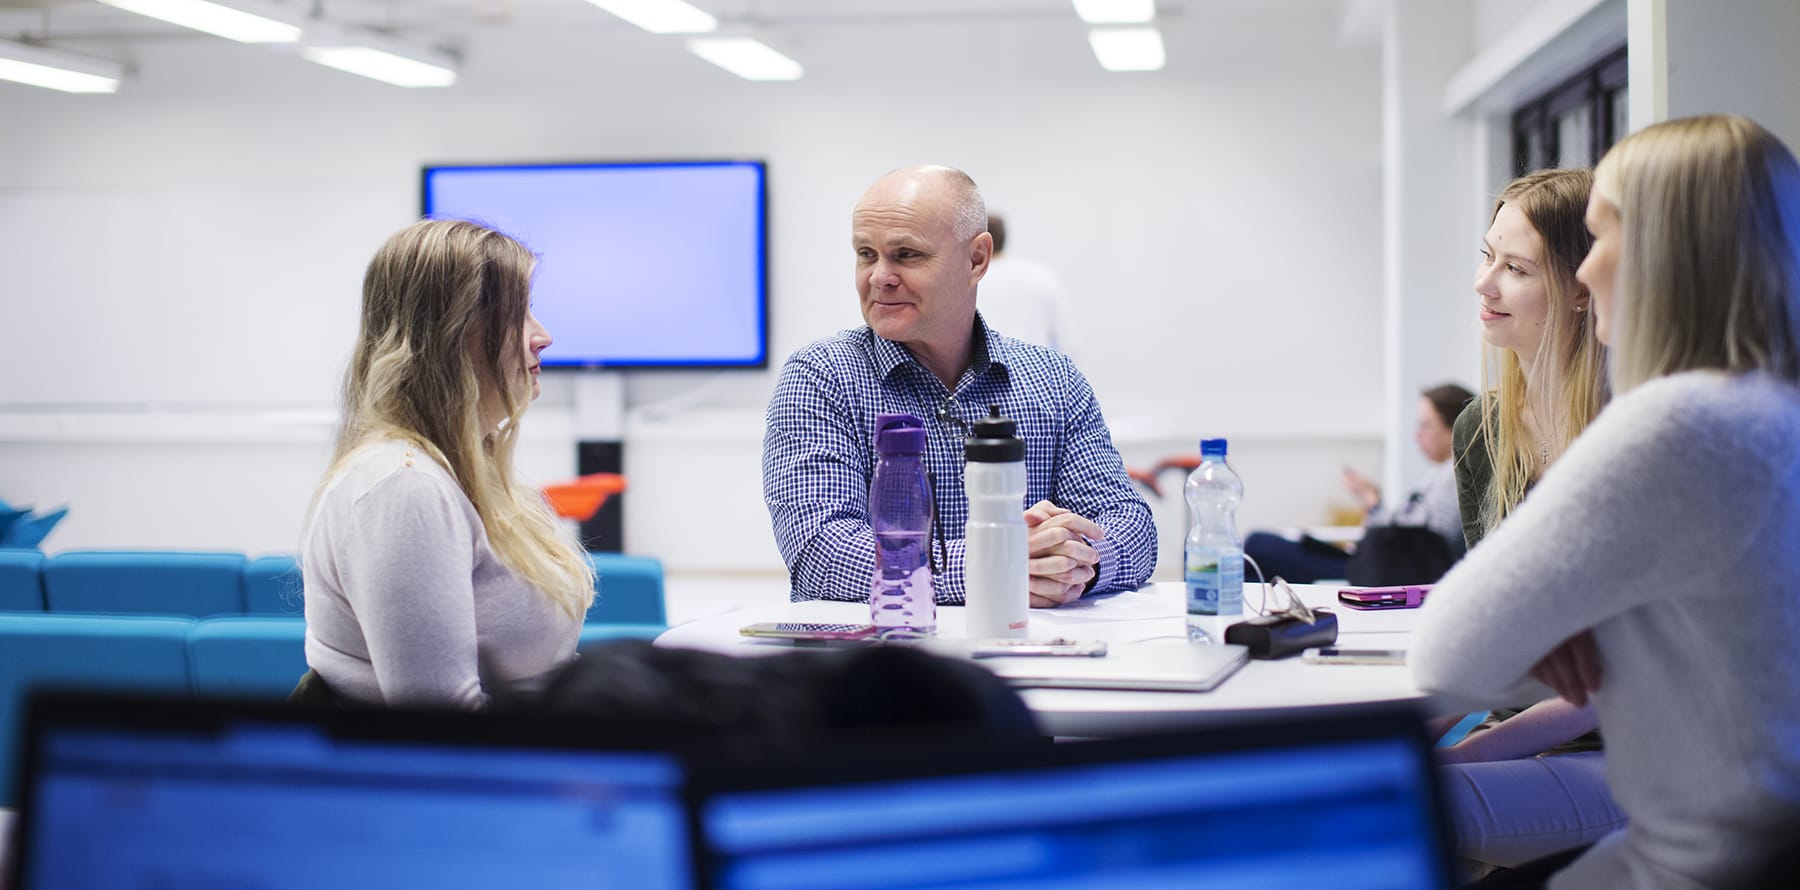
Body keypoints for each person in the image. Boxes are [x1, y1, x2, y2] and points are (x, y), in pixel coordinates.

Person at [1413, 114, 1800, 889]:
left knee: (1379, 804)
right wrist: (1567, 631)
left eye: (1606, 238)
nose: (1591, 272)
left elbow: (1451, 650)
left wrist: (1558, 628)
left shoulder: (1675, 422)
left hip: (1699, 836)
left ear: (1670, 258)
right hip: (1732, 818)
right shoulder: (1762, 409)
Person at [762, 165, 1156, 606]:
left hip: (1034, 660)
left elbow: (1128, 523)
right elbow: (824, 556)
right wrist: (996, 566)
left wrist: (1077, 563)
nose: (879, 277)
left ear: (977, 259)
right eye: (866, 254)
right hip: (884, 666)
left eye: (906, 255)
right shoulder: (821, 378)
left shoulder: (1054, 380)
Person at [301, 218, 595, 708]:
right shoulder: (402, 487)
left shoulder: (469, 469)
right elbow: (443, 725)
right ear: (454, 335)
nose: (542, 336)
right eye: (518, 315)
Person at [1435, 167, 1622, 876]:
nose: (1484, 284)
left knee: (1401, 800)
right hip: (1528, 729)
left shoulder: (1634, 429)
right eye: (1488, 256)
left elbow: (1607, 686)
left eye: (1515, 268)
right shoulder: (1483, 429)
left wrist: (1451, 752)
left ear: (1582, 289)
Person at [1242, 383, 1473, 584]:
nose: (1416, 435)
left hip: (1386, 573)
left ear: (1454, 428)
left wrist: (1373, 505)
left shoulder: (1453, 476)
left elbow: (1425, 543)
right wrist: (1373, 504)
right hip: (1379, 565)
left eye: (1424, 425)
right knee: (1254, 562)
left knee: (1257, 546)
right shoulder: (1440, 473)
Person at [976, 212, 1078, 357]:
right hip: (1039, 372)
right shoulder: (1041, 276)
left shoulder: (969, 280)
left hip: (985, 371)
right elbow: (1068, 343)